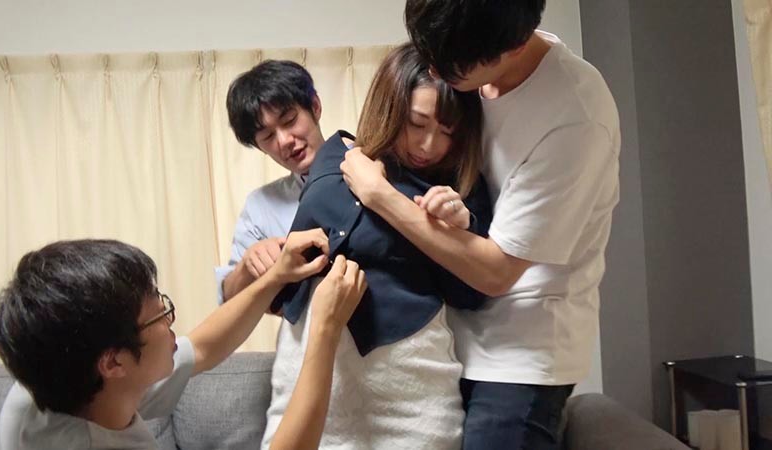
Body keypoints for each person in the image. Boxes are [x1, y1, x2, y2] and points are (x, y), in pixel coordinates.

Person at [340, 1, 621, 449]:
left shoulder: (575, 115)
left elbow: (496, 271)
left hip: (520, 357)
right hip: (449, 340)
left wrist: (380, 195)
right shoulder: (474, 65)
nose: (434, 68)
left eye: (448, 65)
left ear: (513, 46)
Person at [261, 43, 490, 450]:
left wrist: (458, 230)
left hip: (412, 392)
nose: (428, 145)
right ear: (390, 106)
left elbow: (472, 296)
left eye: (447, 132)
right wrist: (263, 267)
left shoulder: (460, 190)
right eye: (417, 124)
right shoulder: (334, 157)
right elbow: (285, 287)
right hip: (311, 380)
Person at [0, 231, 366, 450]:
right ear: (114, 362)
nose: (171, 319)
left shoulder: (65, 383)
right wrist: (324, 329)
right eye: (159, 316)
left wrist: (275, 278)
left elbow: (202, 347)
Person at [217, 60, 327, 304]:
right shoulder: (260, 206)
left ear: (315, 106)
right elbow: (229, 298)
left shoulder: (372, 166)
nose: (285, 141)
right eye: (267, 136)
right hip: (305, 329)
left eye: (289, 120)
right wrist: (248, 265)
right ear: (259, 147)